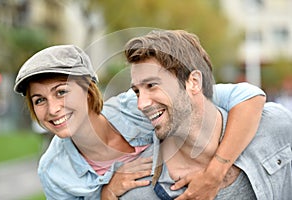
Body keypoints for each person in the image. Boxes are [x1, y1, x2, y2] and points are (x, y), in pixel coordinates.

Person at [13, 44, 266, 199]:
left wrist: (214, 173)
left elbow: (249, 97)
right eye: (39, 100)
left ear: (88, 90)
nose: (53, 109)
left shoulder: (140, 103)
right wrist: (108, 193)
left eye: (61, 92)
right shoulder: (53, 170)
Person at [118, 29, 292, 200]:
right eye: (137, 91)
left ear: (193, 82)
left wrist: (217, 171)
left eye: (152, 85)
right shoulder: (136, 189)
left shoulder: (276, 128)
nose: (141, 104)